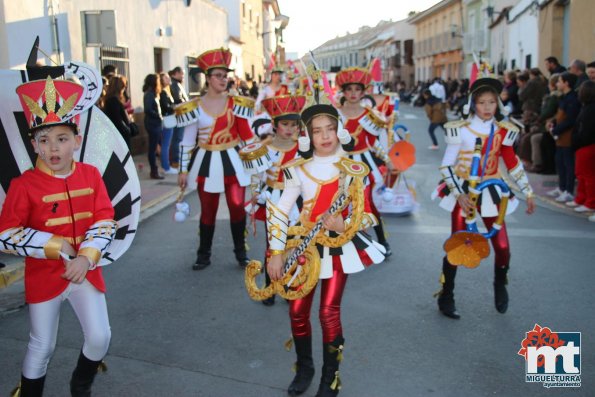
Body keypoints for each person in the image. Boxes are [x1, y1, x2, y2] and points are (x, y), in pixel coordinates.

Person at [2, 75, 117, 396]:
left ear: (77, 140)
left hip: (85, 273)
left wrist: (85, 257)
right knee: (42, 346)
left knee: (100, 337)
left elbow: (106, 218)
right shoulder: (22, 185)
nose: (53, 147)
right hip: (44, 276)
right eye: (44, 139)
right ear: (34, 144)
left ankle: (80, 385)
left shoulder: (91, 174)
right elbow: (6, 234)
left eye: (62, 138)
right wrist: (54, 245)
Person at [266, 95, 386, 397]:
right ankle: (304, 368)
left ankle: (330, 377)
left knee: (328, 312)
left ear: (338, 130)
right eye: (317, 130)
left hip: (338, 246)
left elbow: (370, 214)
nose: (324, 136)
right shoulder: (297, 168)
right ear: (307, 134)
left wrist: (344, 225)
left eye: (329, 129)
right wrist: (276, 253)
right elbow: (280, 210)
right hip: (305, 246)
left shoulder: (352, 167)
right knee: (296, 311)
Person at [433, 74, 536, 319]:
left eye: (492, 102)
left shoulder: (503, 131)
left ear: (497, 103)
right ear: (473, 104)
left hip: (492, 189)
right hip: (464, 191)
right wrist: (458, 195)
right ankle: (447, 295)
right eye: (482, 102)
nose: (487, 107)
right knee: (456, 246)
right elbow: (447, 165)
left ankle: (500, 283)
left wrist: (528, 192)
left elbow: (512, 163)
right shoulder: (460, 131)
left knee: (502, 246)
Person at [178, 48, 257, 270]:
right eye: (219, 75)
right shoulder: (194, 107)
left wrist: (260, 163)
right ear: (208, 78)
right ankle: (203, 255)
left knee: (237, 207)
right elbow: (187, 141)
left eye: (226, 75)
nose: (224, 79)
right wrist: (183, 171)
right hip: (205, 162)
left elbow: (247, 137)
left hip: (232, 160)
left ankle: (241, 253)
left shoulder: (237, 103)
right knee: (208, 210)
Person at [247, 95, 306, 306]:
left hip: (297, 201)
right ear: (274, 124)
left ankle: (290, 283)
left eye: (293, 124)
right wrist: (255, 191)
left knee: (294, 242)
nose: (289, 129)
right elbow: (257, 174)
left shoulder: (304, 147)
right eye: (284, 124)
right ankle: (270, 286)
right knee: (272, 245)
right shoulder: (265, 147)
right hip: (273, 199)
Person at [335, 67, 393, 256]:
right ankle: (344, 242)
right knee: (340, 204)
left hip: (364, 164)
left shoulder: (371, 116)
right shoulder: (334, 115)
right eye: (349, 89)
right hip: (340, 164)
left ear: (363, 91)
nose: (353, 94)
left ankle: (381, 240)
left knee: (366, 202)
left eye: (357, 90)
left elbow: (375, 142)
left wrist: (388, 159)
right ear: (343, 91)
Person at [546, 72, 581, 203]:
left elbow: (570, 120)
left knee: (568, 164)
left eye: (560, 81)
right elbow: (559, 116)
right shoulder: (564, 97)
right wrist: (553, 123)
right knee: (559, 162)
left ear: (566, 83)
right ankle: (561, 187)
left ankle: (569, 190)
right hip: (560, 136)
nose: (557, 84)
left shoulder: (573, 99)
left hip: (567, 136)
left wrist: (556, 129)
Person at [570, 81, 595, 215]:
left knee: (587, 176)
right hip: (584, 146)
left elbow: (585, 131)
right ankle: (581, 199)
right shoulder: (586, 108)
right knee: (581, 175)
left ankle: (590, 202)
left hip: (586, 146)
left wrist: (577, 142)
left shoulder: (590, 110)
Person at [142, 73, 164, 180]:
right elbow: (148, 109)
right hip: (152, 123)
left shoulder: (152, 94)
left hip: (155, 123)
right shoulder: (149, 94)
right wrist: (158, 116)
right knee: (153, 148)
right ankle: (154, 171)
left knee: (155, 147)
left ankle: (155, 170)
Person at [103, 74, 133, 149]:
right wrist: (126, 129)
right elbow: (117, 119)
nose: (124, 89)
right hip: (119, 135)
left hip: (119, 134)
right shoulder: (113, 101)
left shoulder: (112, 99)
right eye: (123, 87)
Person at [169, 66, 189, 169]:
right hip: (178, 116)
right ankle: (175, 161)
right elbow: (178, 100)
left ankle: (177, 160)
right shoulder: (174, 85)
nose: (183, 76)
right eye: (181, 74)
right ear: (176, 73)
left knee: (179, 138)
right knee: (177, 138)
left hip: (181, 115)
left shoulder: (177, 84)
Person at [159, 72, 178, 174]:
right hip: (166, 120)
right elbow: (165, 106)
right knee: (165, 145)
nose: (168, 78)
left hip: (169, 119)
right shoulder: (162, 92)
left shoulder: (167, 91)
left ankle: (167, 166)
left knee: (166, 144)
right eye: (166, 78)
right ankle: (166, 167)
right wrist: (174, 107)